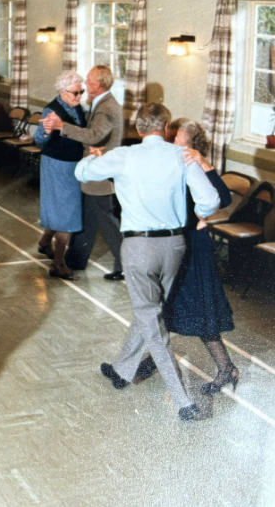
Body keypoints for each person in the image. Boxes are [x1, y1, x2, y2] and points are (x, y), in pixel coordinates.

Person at [75, 102, 220, 421]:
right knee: (151, 314)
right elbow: (209, 200)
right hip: (173, 246)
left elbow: (81, 172)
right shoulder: (180, 156)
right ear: (166, 128)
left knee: (153, 323)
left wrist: (95, 157)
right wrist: (201, 214)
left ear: (138, 129)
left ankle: (183, 401)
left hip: (139, 247)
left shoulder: (124, 155)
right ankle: (121, 369)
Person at [163, 120, 238, 395]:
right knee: (165, 306)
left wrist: (205, 164)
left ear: (191, 146)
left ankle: (227, 368)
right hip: (177, 240)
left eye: (178, 139)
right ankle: (145, 360)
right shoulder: (176, 160)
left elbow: (224, 198)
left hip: (194, 246)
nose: (174, 143)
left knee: (197, 309)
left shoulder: (192, 163)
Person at [42, 65, 125, 281]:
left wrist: (63, 126)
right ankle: (76, 259)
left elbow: (95, 135)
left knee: (107, 222)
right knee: (87, 219)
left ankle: (125, 264)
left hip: (100, 174)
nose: (85, 86)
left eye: (88, 81)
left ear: (98, 84)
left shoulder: (106, 106)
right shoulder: (99, 103)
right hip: (91, 172)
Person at [33, 71, 87, 280]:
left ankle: (44, 243)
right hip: (56, 165)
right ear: (62, 91)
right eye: (74, 93)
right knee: (66, 215)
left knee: (63, 211)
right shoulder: (51, 110)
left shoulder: (77, 108)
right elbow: (39, 139)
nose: (78, 96)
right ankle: (58, 263)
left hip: (72, 165)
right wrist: (46, 131)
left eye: (81, 92)